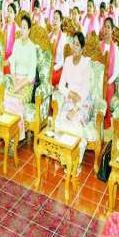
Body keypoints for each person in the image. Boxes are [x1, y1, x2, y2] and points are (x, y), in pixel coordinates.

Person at [54, 32, 93, 166]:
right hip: (70, 98)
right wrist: (70, 93)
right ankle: (65, 157)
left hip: (83, 102)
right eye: (73, 44)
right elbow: (61, 86)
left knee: (76, 121)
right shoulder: (68, 61)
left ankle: (75, 162)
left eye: (77, 45)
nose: (74, 47)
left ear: (82, 48)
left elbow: (85, 90)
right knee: (62, 119)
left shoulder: (86, 63)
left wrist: (75, 109)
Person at [3, 15, 38, 142]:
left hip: (26, 84)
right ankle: (7, 132)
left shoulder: (32, 48)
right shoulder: (16, 43)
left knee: (17, 101)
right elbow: (12, 61)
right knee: (6, 97)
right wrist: (14, 80)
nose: (22, 30)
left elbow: (31, 75)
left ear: (29, 30)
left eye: (24, 27)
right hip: (15, 79)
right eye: (21, 27)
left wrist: (19, 85)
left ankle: (16, 136)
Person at [49, 10, 66, 86]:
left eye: (57, 19)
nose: (55, 21)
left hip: (58, 67)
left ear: (61, 21)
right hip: (49, 65)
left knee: (48, 77)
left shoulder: (63, 38)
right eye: (54, 18)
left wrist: (53, 68)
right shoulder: (49, 35)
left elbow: (63, 60)